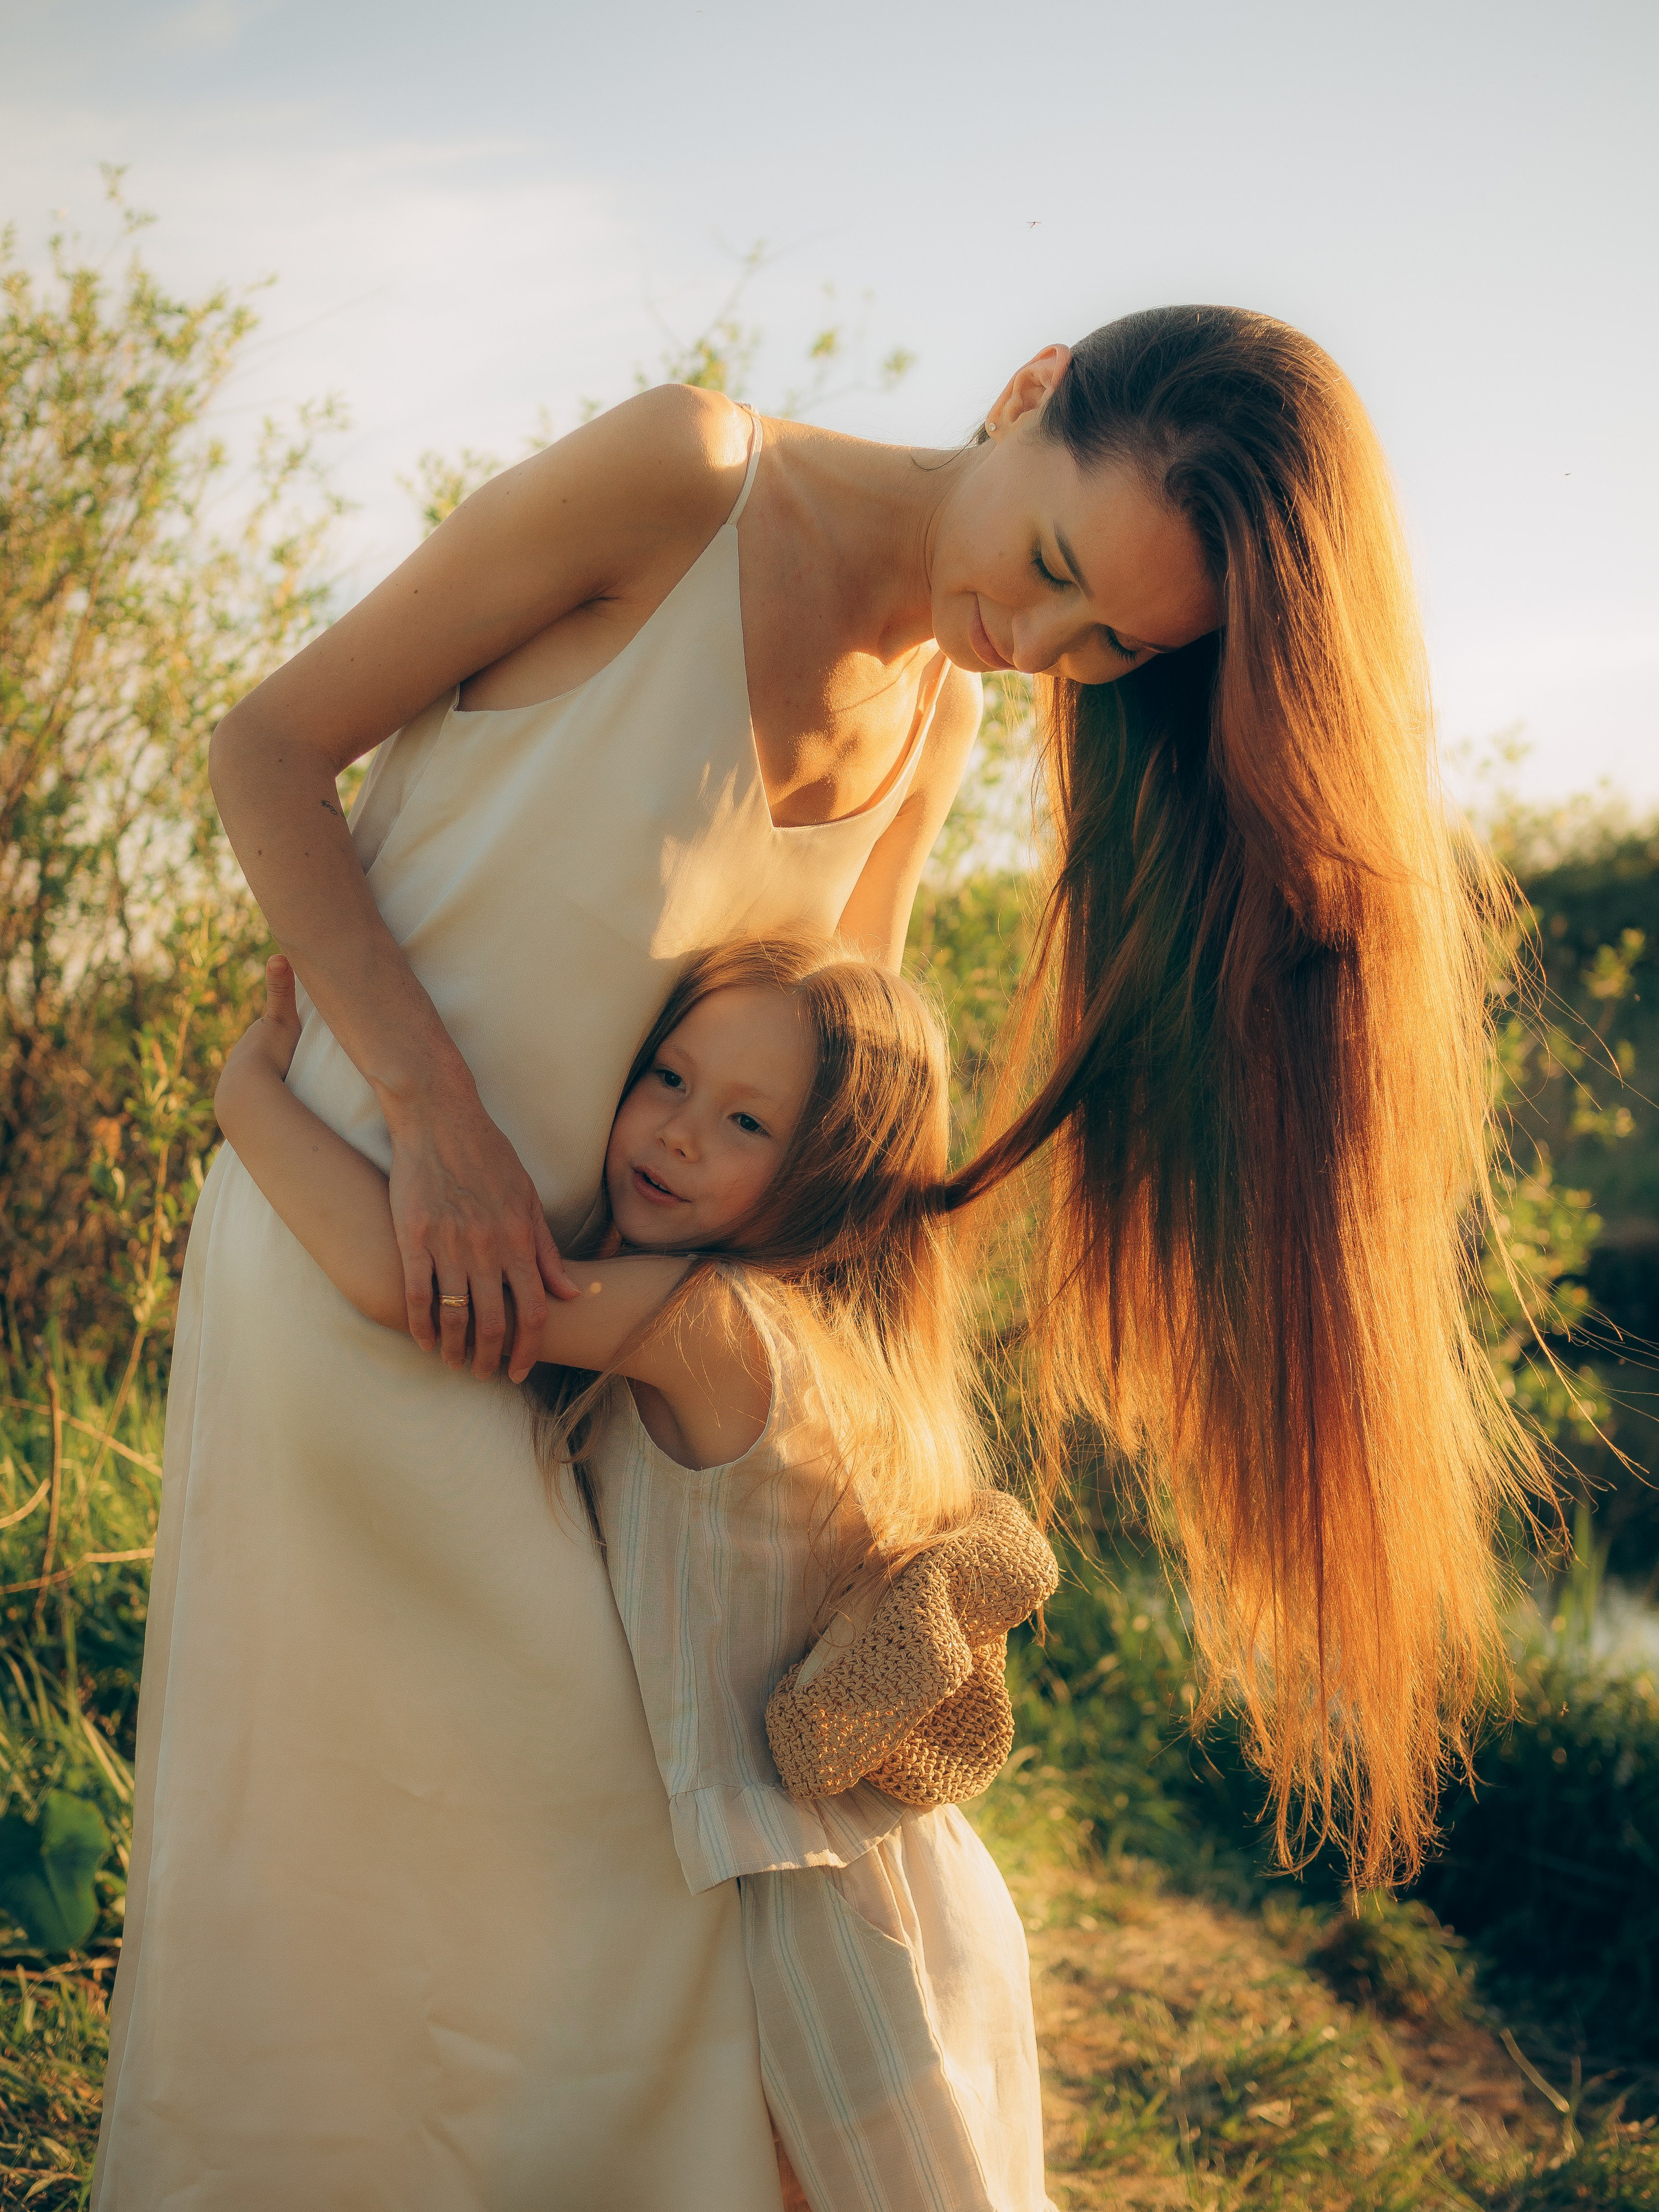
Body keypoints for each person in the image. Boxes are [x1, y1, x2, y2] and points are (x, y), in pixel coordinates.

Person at [97, 306, 1516, 2201]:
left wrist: (807, 1446)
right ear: (1026, 391)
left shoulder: (934, 714)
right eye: (1055, 572)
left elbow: (831, 1132)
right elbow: (265, 748)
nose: (1040, 649)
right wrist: (433, 1119)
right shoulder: (683, 477)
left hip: (594, 1359)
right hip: (367, 1257)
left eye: (1113, 647)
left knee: (580, 1921)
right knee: (458, 1885)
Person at [214, 937, 1052, 2212]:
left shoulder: (712, 1328)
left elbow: (406, 1278)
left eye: (744, 1120)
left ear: (831, 1173)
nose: (674, 1134)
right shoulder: (855, 1357)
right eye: (665, 1076)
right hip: (901, 1884)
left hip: (828, 1917)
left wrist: (248, 1095)